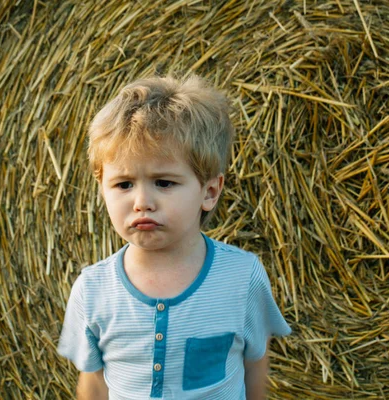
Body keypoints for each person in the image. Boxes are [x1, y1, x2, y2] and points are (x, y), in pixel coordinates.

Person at [57, 75, 291, 400]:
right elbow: (93, 383)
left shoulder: (242, 278)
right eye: (123, 184)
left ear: (209, 192)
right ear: (102, 190)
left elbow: (255, 367)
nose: (142, 202)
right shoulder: (92, 289)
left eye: (164, 183)